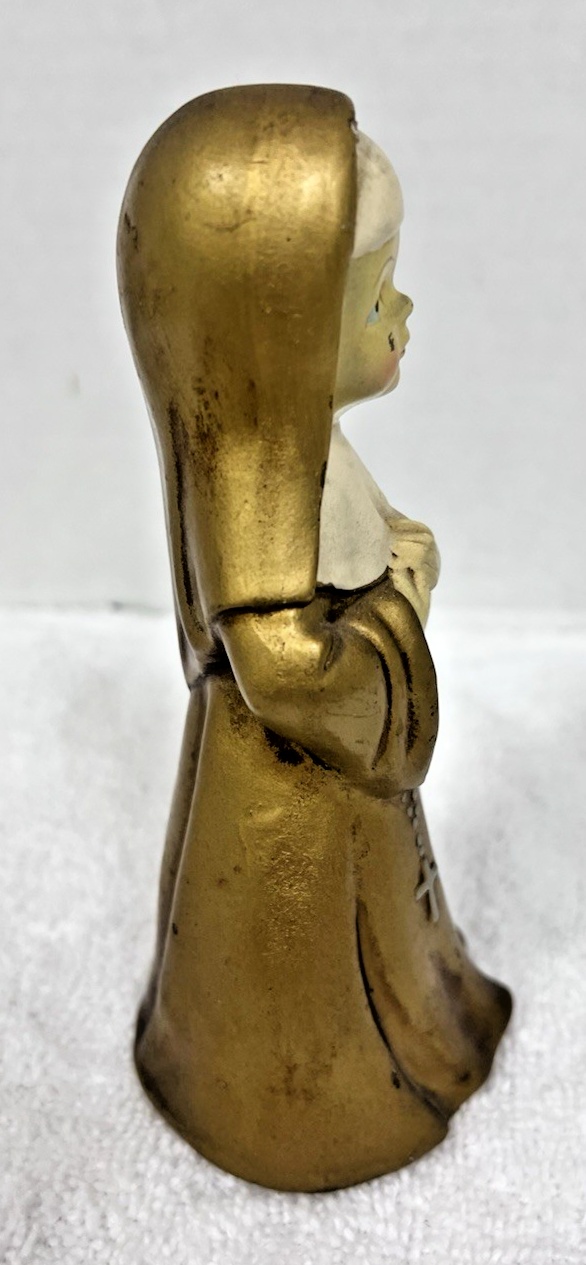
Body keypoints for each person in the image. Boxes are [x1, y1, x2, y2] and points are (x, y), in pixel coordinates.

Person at [118, 83, 511, 1192]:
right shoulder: (255, 489)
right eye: (375, 295)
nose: (405, 310)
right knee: (313, 971)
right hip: (294, 808)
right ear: (281, 336)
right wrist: (395, 617)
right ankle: (300, 1104)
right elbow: (286, 666)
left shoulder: (312, 455)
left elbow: (356, 541)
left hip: (340, 803)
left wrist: (395, 554)